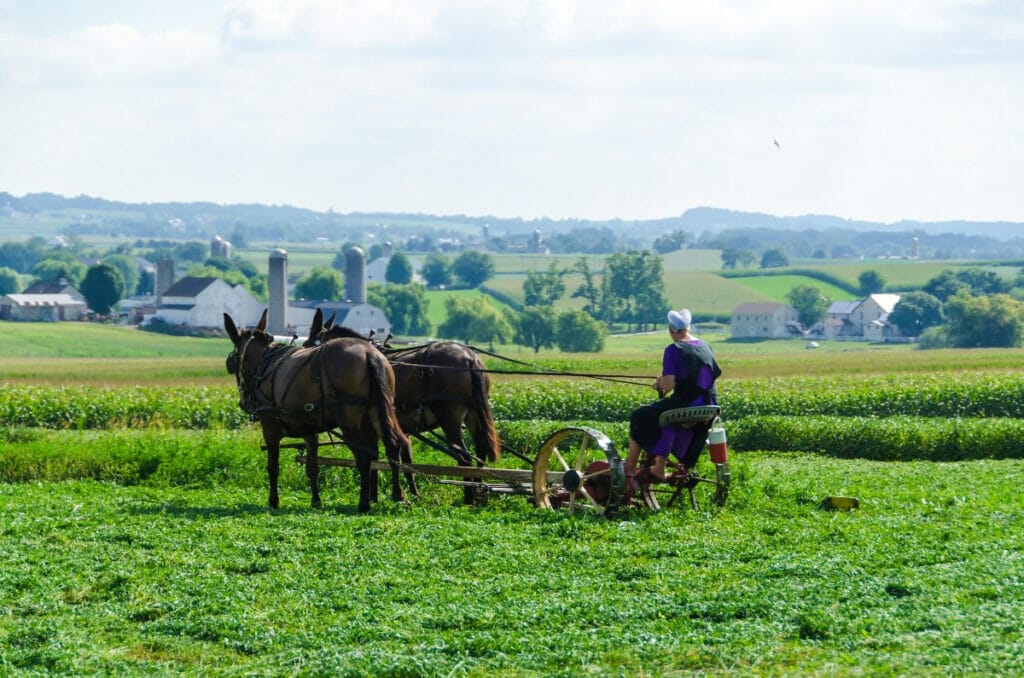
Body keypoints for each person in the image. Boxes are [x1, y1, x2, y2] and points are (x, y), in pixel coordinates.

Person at [624, 308, 722, 487]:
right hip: (709, 405)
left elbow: (667, 386)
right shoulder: (705, 346)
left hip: (686, 404)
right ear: (687, 327)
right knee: (663, 414)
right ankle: (682, 467)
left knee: (640, 416)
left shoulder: (674, 349)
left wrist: (661, 383)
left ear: (671, 329)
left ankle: (632, 467)